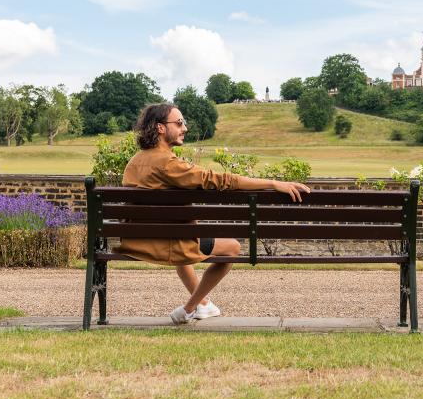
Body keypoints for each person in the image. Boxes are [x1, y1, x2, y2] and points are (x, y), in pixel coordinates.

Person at [117, 103, 309, 324]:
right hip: (167, 243)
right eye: (179, 123)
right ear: (160, 128)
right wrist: (272, 183)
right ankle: (189, 308)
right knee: (232, 248)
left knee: (183, 236)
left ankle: (204, 304)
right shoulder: (167, 163)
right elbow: (220, 180)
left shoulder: (135, 161)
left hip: (136, 241)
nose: (185, 128)